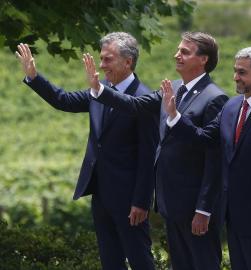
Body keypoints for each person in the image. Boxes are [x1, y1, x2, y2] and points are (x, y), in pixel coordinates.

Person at [84, 32, 228, 270]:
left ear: (203, 59)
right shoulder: (171, 88)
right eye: (178, 50)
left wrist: (204, 209)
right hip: (172, 203)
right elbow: (134, 105)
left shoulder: (215, 98)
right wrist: (99, 89)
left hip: (195, 208)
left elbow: (214, 158)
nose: (176, 55)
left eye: (185, 52)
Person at [16, 32, 158, 270]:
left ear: (128, 62)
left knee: (140, 260)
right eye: (101, 59)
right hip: (100, 193)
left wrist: (141, 201)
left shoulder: (145, 99)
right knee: (110, 261)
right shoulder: (98, 91)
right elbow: (64, 100)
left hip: (130, 200)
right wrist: (33, 76)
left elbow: (149, 155)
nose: (101, 65)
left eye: (107, 59)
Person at [161, 46, 251, 270]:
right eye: (235, 71)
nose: (236, 77)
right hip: (235, 219)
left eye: (242, 72)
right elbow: (205, 138)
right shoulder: (232, 105)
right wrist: (175, 116)